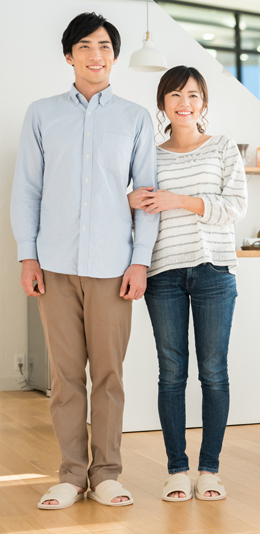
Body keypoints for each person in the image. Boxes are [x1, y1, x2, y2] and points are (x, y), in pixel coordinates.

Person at [10, 12, 159, 509]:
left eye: (105, 47)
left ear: (114, 56)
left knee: (110, 375)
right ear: (69, 55)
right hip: (53, 264)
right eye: (86, 46)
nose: (97, 55)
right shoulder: (42, 113)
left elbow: (148, 196)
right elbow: (26, 191)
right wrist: (27, 258)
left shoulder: (136, 118)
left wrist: (140, 262)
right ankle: (72, 475)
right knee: (65, 376)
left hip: (114, 267)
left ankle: (108, 473)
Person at [128, 66, 247, 502]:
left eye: (193, 95)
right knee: (172, 374)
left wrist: (178, 200)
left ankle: (209, 469)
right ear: (162, 103)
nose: (184, 102)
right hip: (162, 273)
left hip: (214, 270)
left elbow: (234, 208)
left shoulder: (222, 148)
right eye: (175, 95)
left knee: (214, 373)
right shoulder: (150, 155)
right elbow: (136, 207)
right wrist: (130, 199)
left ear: (204, 104)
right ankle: (177, 470)